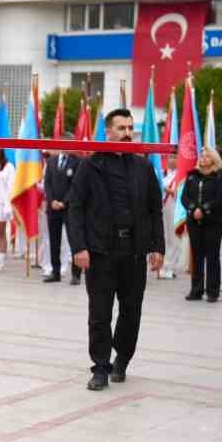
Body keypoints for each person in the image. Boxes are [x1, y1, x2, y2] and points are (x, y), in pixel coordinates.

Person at [68, 108, 165, 390]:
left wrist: (157, 246)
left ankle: (122, 358)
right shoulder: (90, 166)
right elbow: (75, 208)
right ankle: (100, 367)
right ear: (107, 132)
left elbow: (154, 208)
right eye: (120, 128)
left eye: (129, 128)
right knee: (99, 312)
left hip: (133, 251)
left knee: (131, 311)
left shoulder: (142, 167)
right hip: (99, 252)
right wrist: (79, 247)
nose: (126, 133)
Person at [181, 147, 222, 302]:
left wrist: (204, 209)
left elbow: (220, 198)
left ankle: (212, 291)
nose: (203, 158)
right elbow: (185, 197)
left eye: (207, 156)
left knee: (212, 256)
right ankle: (196, 290)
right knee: (197, 256)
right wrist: (193, 209)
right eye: (201, 156)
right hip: (194, 222)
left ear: (214, 160)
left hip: (213, 222)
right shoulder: (191, 176)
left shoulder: (220, 177)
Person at [43, 150, 81, 283]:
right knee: (54, 242)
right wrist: (51, 200)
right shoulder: (51, 161)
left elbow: (76, 185)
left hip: (69, 209)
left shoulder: (77, 161)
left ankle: (76, 275)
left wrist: (64, 202)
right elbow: (47, 183)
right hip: (53, 208)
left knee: (74, 241)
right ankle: (55, 272)